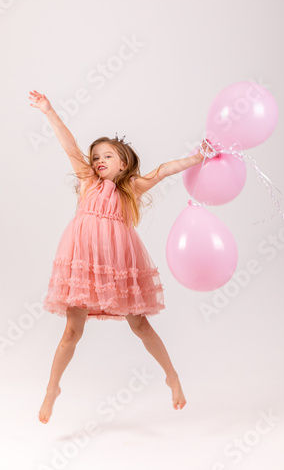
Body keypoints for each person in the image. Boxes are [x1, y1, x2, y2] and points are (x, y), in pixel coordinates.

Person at [29, 90, 208, 423]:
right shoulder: (87, 182)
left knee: (140, 324)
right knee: (72, 331)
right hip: (82, 261)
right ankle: (53, 389)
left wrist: (197, 158)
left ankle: (172, 376)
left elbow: (166, 169)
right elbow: (69, 145)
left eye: (107, 156)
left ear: (123, 163)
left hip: (117, 265)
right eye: (96, 156)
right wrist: (49, 111)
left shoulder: (132, 188)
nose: (99, 161)